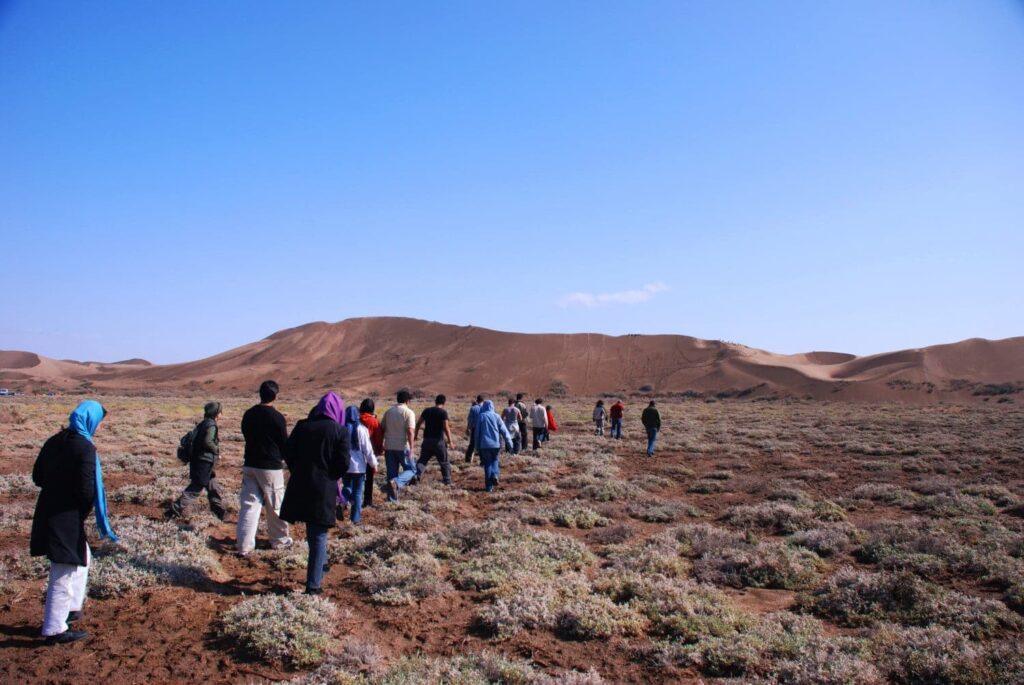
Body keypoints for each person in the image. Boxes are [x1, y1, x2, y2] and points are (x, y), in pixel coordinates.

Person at [31, 400, 118, 645]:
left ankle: (71, 608)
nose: (99, 426)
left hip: (49, 509)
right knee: (64, 568)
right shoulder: (84, 448)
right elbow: (85, 488)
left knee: (83, 557)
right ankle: (54, 628)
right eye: (99, 422)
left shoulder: (54, 440)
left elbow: (37, 476)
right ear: (91, 420)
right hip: (66, 516)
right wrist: (79, 509)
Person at [279, 392, 349, 594]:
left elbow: (288, 452)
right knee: (318, 535)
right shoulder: (340, 431)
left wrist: (298, 470)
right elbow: (343, 462)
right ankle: (313, 585)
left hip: (300, 485)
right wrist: (331, 477)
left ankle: (319, 569)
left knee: (314, 533)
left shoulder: (303, 426)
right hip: (323, 488)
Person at [236, 381, 292, 556]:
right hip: (271, 466)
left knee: (249, 504)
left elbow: (245, 434)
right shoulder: (277, 417)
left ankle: (244, 545)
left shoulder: (249, 414)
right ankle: (280, 540)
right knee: (275, 504)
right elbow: (284, 442)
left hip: (250, 463)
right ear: (275, 396)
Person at [169, 402, 225, 520]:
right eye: (220, 411)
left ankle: (220, 512)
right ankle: (173, 511)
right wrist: (217, 451)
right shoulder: (211, 425)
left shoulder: (203, 423)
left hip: (202, 462)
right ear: (216, 413)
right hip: (204, 463)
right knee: (196, 488)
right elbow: (208, 441)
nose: (221, 414)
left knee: (213, 486)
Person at [339, 406, 377, 525]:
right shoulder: (361, 429)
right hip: (359, 467)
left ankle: (342, 501)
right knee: (357, 492)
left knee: (347, 486)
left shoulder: (341, 429)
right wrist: (373, 463)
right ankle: (355, 519)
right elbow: (368, 449)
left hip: (345, 466)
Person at [381, 389, 417, 501]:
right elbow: (410, 432)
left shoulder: (388, 412)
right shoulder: (409, 412)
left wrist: (382, 444)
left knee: (391, 474)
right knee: (412, 470)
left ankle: (392, 502)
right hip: (402, 447)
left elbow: (382, 429)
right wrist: (412, 448)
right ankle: (397, 482)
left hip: (389, 447)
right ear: (407, 400)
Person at [474, 400, 513, 492]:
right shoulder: (497, 416)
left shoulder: (481, 416)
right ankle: (495, 474)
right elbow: (504, 430)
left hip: (484, 445)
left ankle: (489, 487)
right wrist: (509, 443)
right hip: (496, 444)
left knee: (487, 464)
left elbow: (477, 433)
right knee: (495, 460)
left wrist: (476, 446)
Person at [415, 394, 454, 485]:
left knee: (422, 460)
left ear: (435, 401)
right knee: (444, 462)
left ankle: (417, 476)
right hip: (438, 441)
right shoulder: (443, 413)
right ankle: (447, 481)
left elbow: (418, 424)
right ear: (444, 403)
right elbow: (446, 427)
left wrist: (415, 435)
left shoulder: (427, 411)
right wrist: (450, 441)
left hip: (427, 440)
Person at [358, 399, 384, 508]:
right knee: (369, 479)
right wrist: (380, 449)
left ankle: (350, 500)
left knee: (354, 478)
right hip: (369, 453)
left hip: (355, 454)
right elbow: (378, 438)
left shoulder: (355, 419)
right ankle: (367, 501)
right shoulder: (373, 421)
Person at [464, 395, 483, 463]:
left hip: (474, 428)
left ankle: (468, 460)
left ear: (477, 400)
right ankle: (482, 460)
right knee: (482, 444)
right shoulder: (485, 408)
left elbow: (470, 420)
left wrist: (468, 428)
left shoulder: (473, 408)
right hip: (483, 429)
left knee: (472, 444)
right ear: (483, 400)